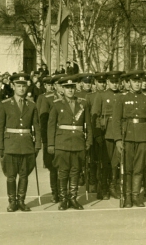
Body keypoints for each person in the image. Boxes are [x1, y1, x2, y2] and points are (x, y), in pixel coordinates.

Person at [0, 73, 41, 212]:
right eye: (18, 86)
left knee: (24, 174)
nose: (21, 89)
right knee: (11, 175)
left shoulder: (31, 105)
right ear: (13, 86)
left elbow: (36, 127)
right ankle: (12, 202)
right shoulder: (5, 105)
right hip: (11, 145)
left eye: (24, 86)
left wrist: (37, 144)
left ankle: (21, 201)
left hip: (26, 145)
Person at [112, 70, 146, 208]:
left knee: (139, 168)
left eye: (139, 82)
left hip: (143, 137)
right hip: (127, 137)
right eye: (134, 81)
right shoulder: (122, 98)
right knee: (127, 168)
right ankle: (127, 197)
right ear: (129, 83)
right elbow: (116, 120)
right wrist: (118, 139)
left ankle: (136, 196)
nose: (137, 84)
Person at [47, 75, 93, 210]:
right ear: (62, 89)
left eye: (72, 88)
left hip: (78, 142)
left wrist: (88, 140)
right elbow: (51, 126)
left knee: (75, 171)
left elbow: (88, 124)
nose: (70, 91)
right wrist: (51, 144)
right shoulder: (56, 104)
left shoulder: (83, 103)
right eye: (67, 88)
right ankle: (63, 199)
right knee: (63, 171)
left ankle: (73, 198)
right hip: (62, 142)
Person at [91, 71, 122, 200]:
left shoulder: (122, 96)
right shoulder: (101, 96)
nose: (115, 85)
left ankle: (113, 186)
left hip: (118, 133)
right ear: (108, 82)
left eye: (117, 82)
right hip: (106, 133)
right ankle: (103, 187)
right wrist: (97, 134)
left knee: (116, 162)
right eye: (112, 82)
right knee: (105, 162)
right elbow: (95, 116)